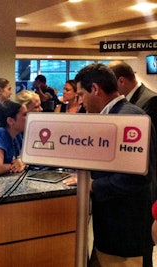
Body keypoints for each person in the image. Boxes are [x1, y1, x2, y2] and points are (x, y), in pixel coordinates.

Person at [74, 63, 156, 267]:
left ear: (95, 89)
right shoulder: (113, 116)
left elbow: (136, 177)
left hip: (126, 234)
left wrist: (92, 185)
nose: (81, 102)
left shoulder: (129, 118)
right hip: (112, 231)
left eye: (81, 94)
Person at [108, 60, 157, 267]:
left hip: (145, 186)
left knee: (142, 246)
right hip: (132, 187)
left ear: (120, 81)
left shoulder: (150, 102)